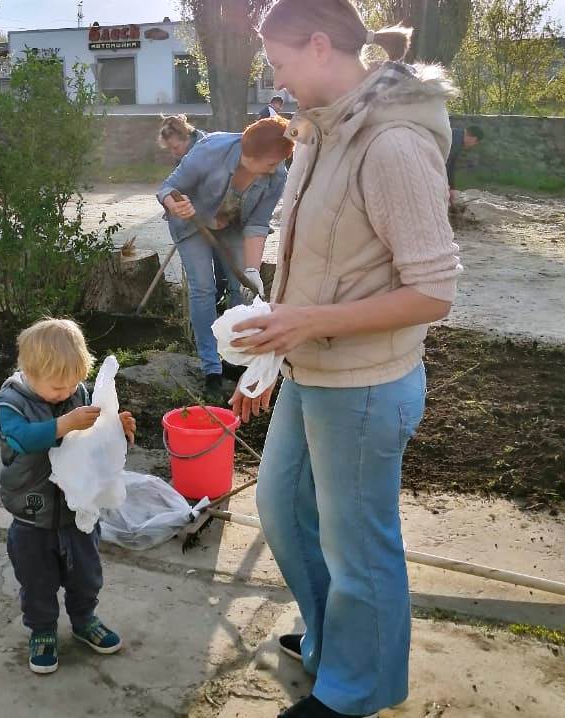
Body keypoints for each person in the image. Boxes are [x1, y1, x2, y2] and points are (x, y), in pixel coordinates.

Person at [233, 2, 463, 717]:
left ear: (322, 45)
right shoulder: (319, 134)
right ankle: (337, 639)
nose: (274, 79)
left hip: (366, 384)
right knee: (281, 507)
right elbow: (313, 264)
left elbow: (433, 292)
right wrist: (271, 354)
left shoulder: (390, 143)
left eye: (277, 62)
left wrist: (308, 321)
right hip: (310, 370)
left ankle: (353, 692)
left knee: (360, 545)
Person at [0, 318, 136, 675]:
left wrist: (119, 429)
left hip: (77, 513)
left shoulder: (76, 393)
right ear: (29, 371)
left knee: (86, 575)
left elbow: (97, 438)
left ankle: (84, 619)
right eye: (58, 387)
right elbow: (22, 439)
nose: (67, 392)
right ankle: (42, 631)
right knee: (37, 581)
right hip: (32, 515)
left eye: (74, 383)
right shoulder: (10, 404)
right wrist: (63, 424)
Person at [158, 117, 290, 395]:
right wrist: (175, 205)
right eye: (271, 163)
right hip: (191, 222)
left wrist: (251, 272)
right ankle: (211, 368)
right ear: (248, 154)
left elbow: (257, 224)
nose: (276, 169)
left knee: (240, 290)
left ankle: (232, 356)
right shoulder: (210, 150)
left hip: (231, 223)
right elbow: (168, 188)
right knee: (204, 287)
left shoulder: (277, 175)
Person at [158, 115, 230, 308]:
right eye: (170, 149)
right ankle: (216, 297)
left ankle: (223, 295)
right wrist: (174, 205)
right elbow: (180, 183)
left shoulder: (206, 148)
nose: (173, 153)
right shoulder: (184, 155)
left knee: (222, 255)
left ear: (186, 137)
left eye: (175, 148)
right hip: (198, 214)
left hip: (220, 210)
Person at [446, 124, 483, 207]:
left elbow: (451, 165)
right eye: (475, 143)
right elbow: (445, 165)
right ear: (475, 139)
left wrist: (451, 188)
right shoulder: (456, 140)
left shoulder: (456, 135)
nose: (472, 146)